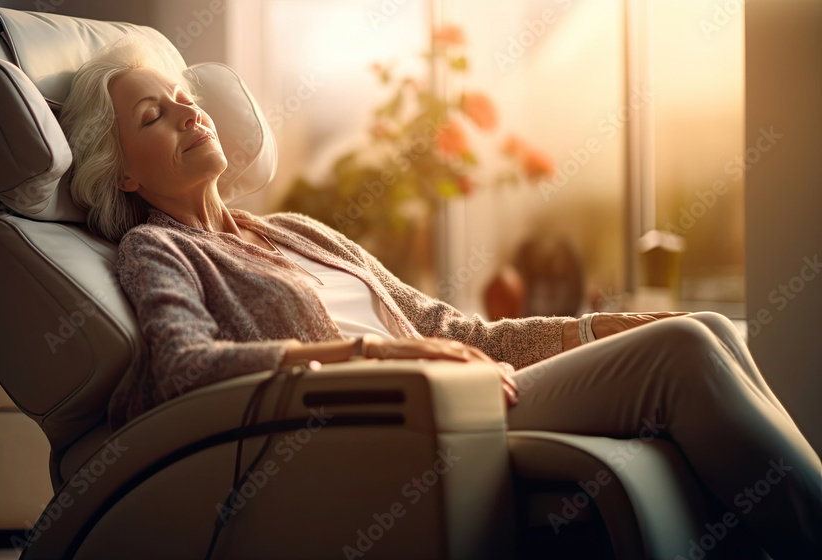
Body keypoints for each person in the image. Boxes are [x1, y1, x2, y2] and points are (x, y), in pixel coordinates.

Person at [59, 34, 820, 558]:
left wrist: (591, 328)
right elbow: (184, 366)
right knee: (683, 353)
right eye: (152, 116)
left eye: (183, 97)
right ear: (123, 174)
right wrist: (376, 353)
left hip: (462, 380)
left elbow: (448, 326)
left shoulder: (293, 229)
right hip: (402, 416)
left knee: (707, 325)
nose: (189, 112)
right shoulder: (155, 247)